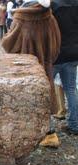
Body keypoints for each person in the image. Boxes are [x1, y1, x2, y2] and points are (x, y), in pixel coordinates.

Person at [2, 0, 61, 146]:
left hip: (25, 67)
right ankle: (50, 134)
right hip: (44, 66)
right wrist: (47, 59)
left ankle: (26, 135)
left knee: (24, 98)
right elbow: (56, 44)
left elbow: (8, 44)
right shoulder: (50, 17)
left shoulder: (21, 18)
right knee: (45, 96)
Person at [51, 0, 78, 135]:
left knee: (47, 90)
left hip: (56, 54)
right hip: (73, 53)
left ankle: (48, 128)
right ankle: (75, 125)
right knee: (71, 90)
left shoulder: (53, 5)